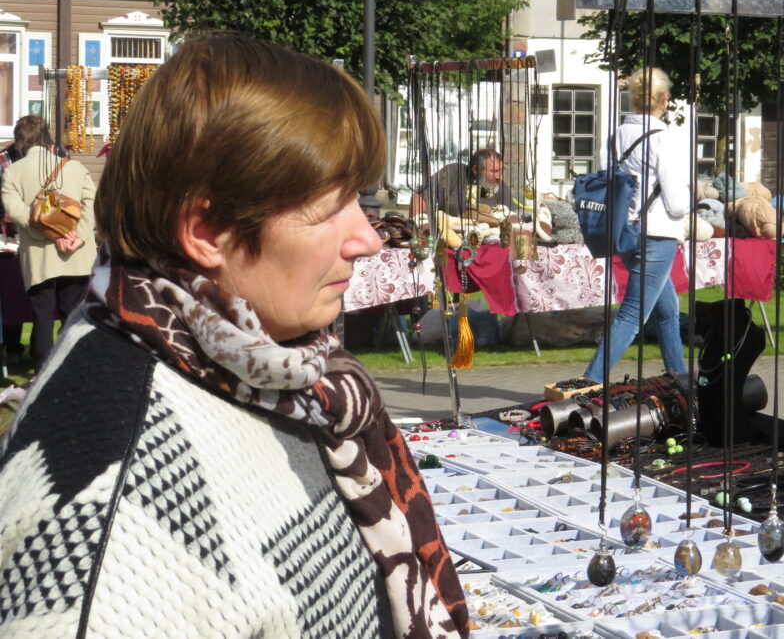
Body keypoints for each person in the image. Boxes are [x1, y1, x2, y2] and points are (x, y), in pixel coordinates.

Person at [0, 35, 467, 638]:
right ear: (207, 232)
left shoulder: (259, 368)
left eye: (357, 198)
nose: (369, 238)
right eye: (328, 208)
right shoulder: (110, 535)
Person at [582, 66, 691, 385]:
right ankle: (587, 383)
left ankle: (679, 379)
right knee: (632, 316)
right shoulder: (663, 139)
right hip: (657, 235)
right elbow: (676, 203)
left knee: (668, 311)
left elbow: (607, 184)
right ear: (664, 99)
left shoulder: (615, 137)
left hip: (625, 232)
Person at [0, 115, 95, 369]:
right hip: (75, 252)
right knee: (72, 314)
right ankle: (72, 368)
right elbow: (92, 204)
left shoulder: (13, 172)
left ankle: (42, 370)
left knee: (42, 315)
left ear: (20, 142)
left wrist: (49, 233)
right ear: (48, 139)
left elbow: (15, 211)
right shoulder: (75, 168)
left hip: (39, 254)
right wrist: (76, 237)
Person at [410, 147, 515, 217]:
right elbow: (419, 197)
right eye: (494, 171)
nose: (498, 176)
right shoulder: (453, 173)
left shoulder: (502, 189)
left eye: (500, 171)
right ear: (476, 170)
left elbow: (511, 219)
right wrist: (421, 225)